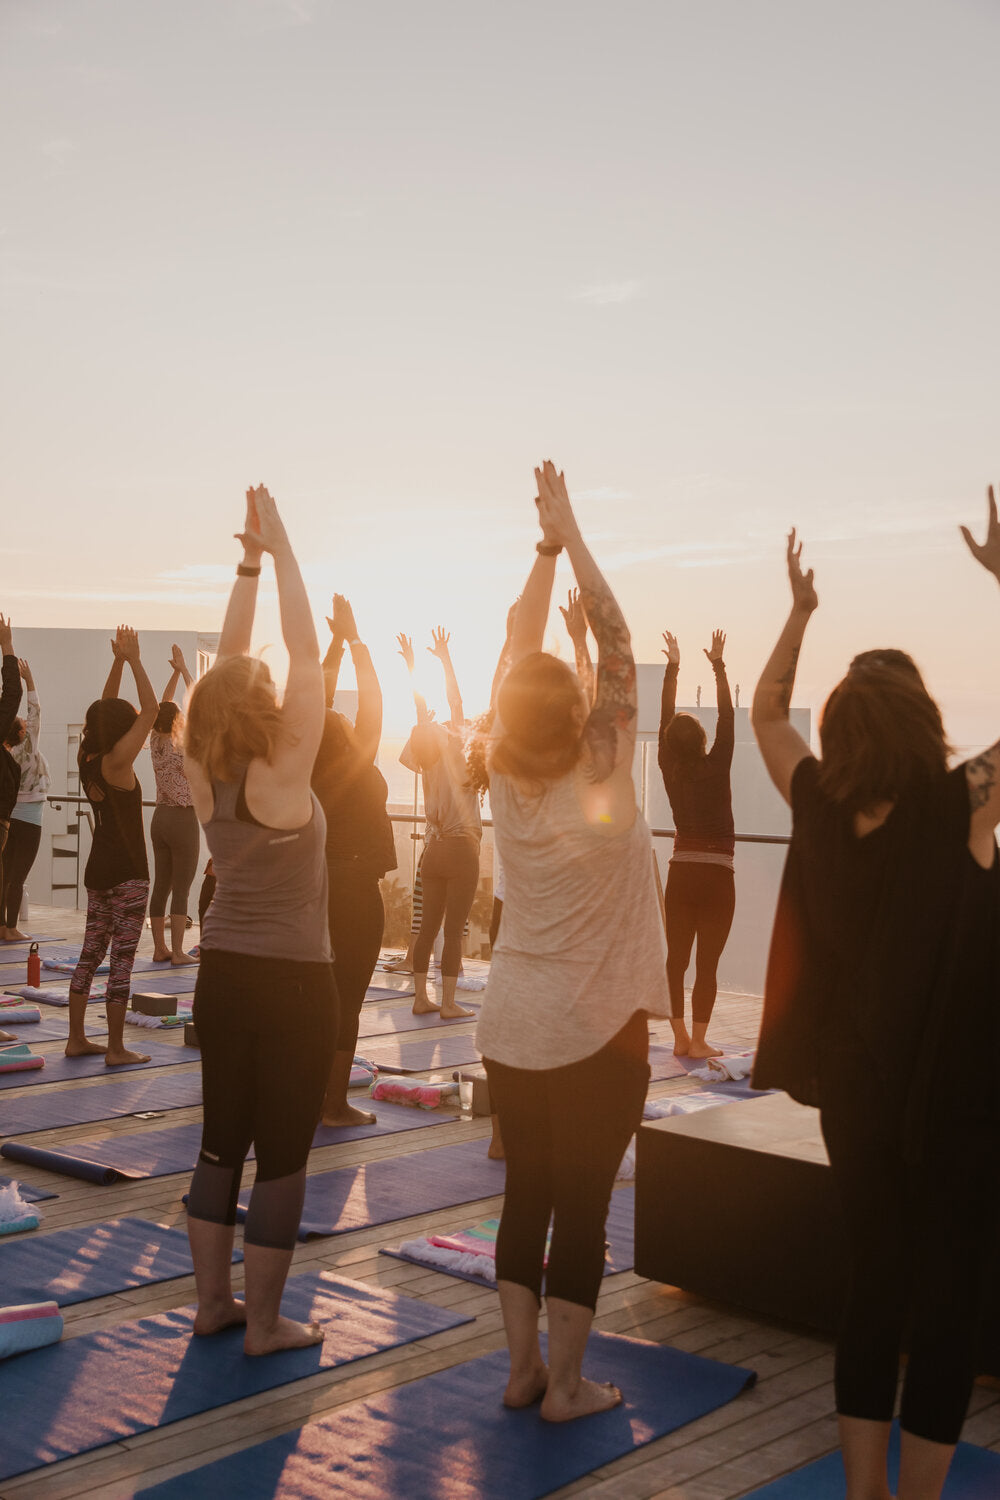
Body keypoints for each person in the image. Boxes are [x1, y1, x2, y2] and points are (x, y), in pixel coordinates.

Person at [750, 499, 1000, 1500]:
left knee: (872, 1295)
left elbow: (765, 712)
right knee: (942, 1309)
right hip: (956, 1106)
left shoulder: (812, 803)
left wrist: (799, 615)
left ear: (846, 724)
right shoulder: (961, 805)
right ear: (925, 722)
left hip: (853, 1098)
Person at [474, 461, 669, 1422]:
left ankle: (521, 1370)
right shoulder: (604, 767)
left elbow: (517, 645)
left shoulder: (502, 772)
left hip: (510, 1025)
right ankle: (568, 1386)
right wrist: (574, 534)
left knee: (527, 1201)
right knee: (582, 1210)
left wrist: (543, 548)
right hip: (596, 1032)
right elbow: (621, 637)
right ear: (584, 719)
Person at [183, 485, 336, 1356]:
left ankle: (213, 1303)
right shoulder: (284, 772)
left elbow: (229, 664)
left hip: (223, 972)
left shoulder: (208, 771)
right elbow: (306, 651)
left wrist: (247, 562)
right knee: (281, 1154)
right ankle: (266, 1323)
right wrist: (284, 554)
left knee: (217, 1146)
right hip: (293, 983)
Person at [312, 593, 396, 1127]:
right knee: (347, 1000)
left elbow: (314, 702)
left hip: (314, 890)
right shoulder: (356, 761)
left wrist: (336, 644)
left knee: (317, 995)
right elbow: (374, 701)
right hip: (355, 892)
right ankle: (334, 1104)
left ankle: (309, 1093)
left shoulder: (305, 770)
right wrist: (357, 639)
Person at [66, 626, 158, 1066]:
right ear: (123, 728)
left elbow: (104, 711)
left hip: (98, 869)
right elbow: (153, 709)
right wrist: (136, 659)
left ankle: (77, 1039)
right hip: (129, 873)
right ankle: (117, 1048)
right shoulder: (120, 762)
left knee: (90, 954)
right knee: (121, 959)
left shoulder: (88, 760)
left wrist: (117, 663)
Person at [657, 627, 735, 1057]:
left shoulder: (669, 767)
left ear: (668, 742)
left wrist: (673, 666)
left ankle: (680, 1039)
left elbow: (664, 718)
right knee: (707, 964)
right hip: (718, 876)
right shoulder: (718, 763)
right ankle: (701, 1040)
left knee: (676, 960)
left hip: (681, 873)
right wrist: (719, 666)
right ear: (704, 741)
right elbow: (728, 718)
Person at [397, 628, 481, 1020]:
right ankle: (447, 1003)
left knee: (427, 927)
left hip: (432, 851)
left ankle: (420, 998)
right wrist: (445, 659)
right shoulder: (459, 753)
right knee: (453, 930)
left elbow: (420, 713)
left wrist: (412, 666)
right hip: (462, 847)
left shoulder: (426, 761)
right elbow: (456, 701)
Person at [149, 645, 199, 965]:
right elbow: (199, 708)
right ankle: (178, 952)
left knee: (161, 886)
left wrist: (173, 672)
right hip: (182, 819)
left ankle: (159, 948)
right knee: (181, 888)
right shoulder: (181, 742)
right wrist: (183, 672)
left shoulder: (155, 739)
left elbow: (160, 707)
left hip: (159, 818)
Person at [2, 658, 47, 941]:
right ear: (22, 734)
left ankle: (2, 926)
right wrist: (29, 681)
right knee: (17, 876)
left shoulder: (5, 752)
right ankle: (11, 928)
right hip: (29, 817)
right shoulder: (27, 749)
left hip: (8, 816)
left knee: (5, 873)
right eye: (22, 724)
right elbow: (36, 712)